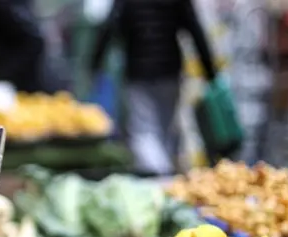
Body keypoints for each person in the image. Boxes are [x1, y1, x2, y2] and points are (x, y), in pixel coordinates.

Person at [90, 0, 217, 175]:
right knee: (165, 128)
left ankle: (157, 177)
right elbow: (193, 26)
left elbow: (110, 26)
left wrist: (95, 63)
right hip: (169, 69)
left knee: (144, 130)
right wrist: (209, 69)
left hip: (138, 70)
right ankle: (165, 176)